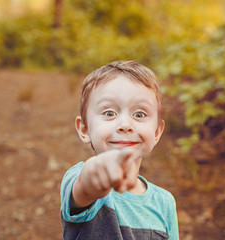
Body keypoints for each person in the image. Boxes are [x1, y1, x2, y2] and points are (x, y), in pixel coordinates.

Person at [60, 60, 179, 239]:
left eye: (139, 114)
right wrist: (95, 173)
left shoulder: (165, 202)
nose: (125, 125)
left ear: (156, 132)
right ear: (84, 129)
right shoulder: (79, 178)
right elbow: (86, 187)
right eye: (109, 113)